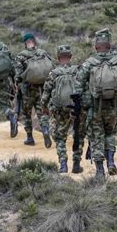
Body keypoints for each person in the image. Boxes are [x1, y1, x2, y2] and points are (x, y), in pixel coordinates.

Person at [74, 29, 117, 182]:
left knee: (96, 137)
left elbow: (78, 85)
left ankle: (100, 171)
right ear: (109, 45)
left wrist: (81, 105)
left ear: (96, 46)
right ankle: (111, 161)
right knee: (109, 135)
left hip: (94, 108)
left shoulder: (89, 63)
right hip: (112, 107)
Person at [42, 45, 86, 174]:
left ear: (58, 58)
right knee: (79, 135)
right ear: (71, 57)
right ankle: (76, 163)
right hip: (77, 109)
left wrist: (44, 106)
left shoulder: (54, 73)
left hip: (60, 110)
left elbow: (46, 92)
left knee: (60, 137)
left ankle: (63, 164)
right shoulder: (78, 70)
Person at [14, 33, 53, 148]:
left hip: (27, 89)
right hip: (42, 89)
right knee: (42, 112)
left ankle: (30, 137)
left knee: (27, 113)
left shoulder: (21, 56)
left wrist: (17, 83)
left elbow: (18, 74)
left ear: (25, 43)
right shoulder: (43, 53)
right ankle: (45, 130)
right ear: (34, 41)